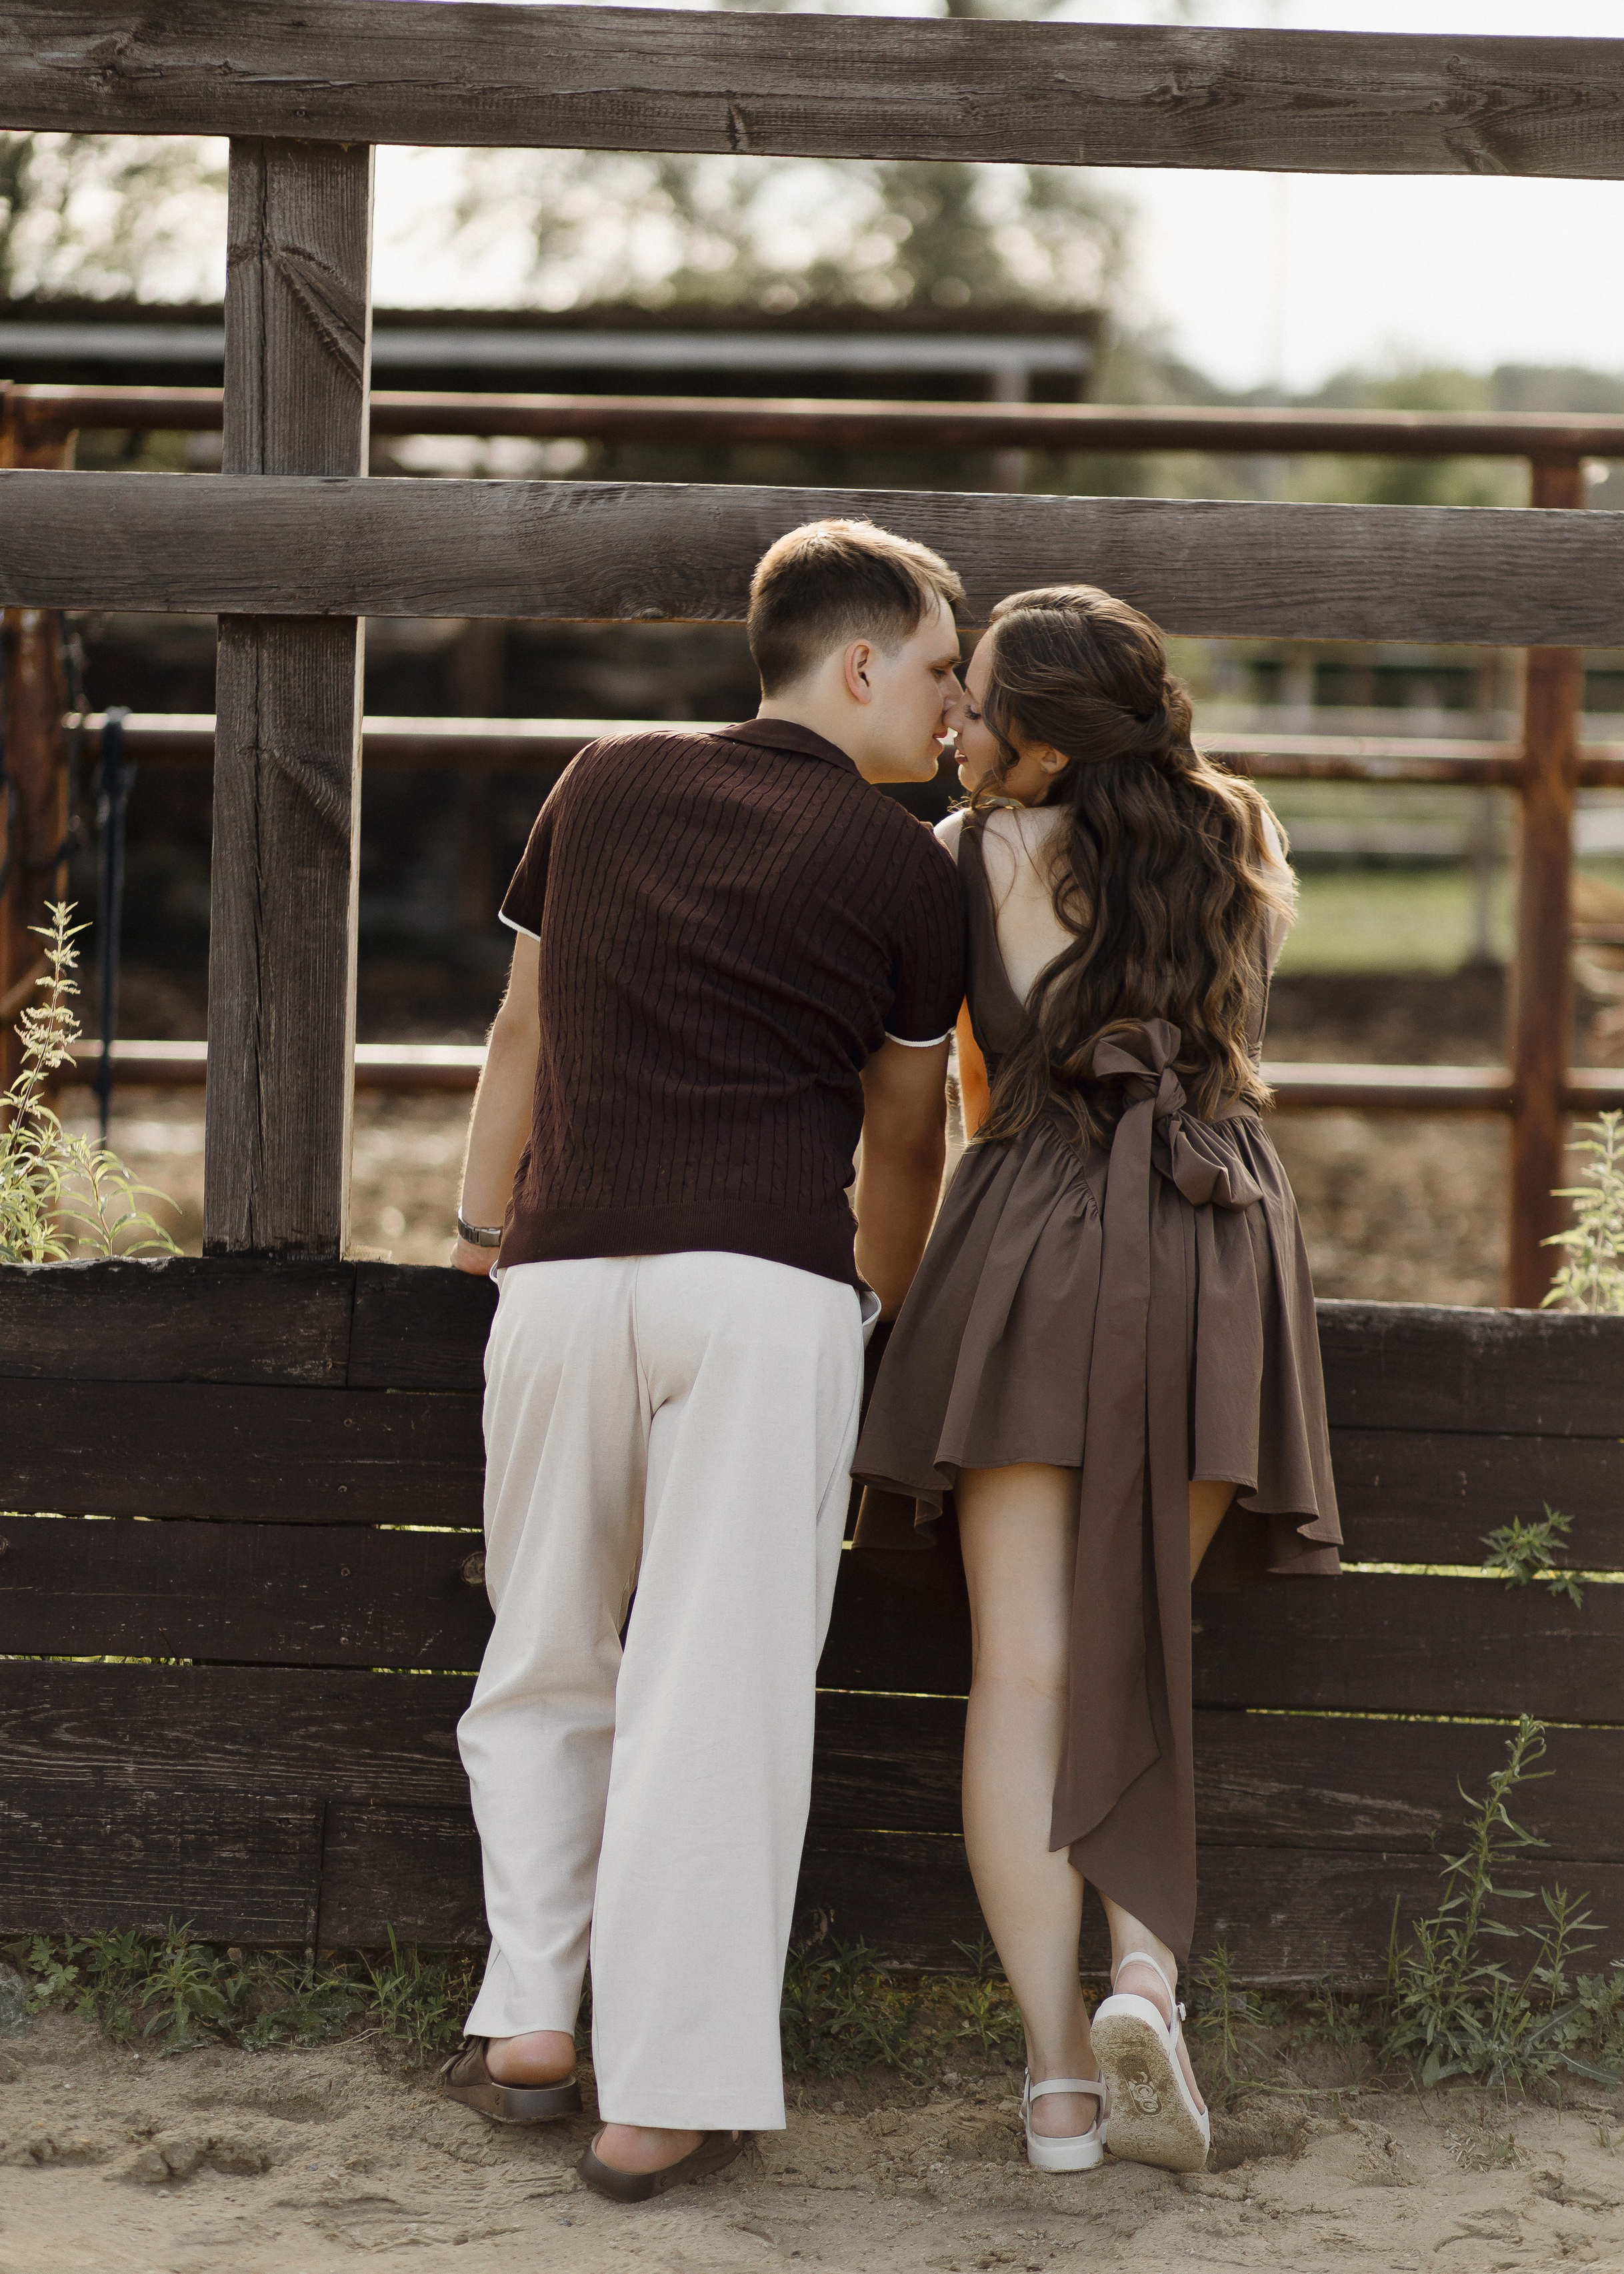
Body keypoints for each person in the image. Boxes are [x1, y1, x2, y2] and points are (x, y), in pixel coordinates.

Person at [444, 518, 967, 2201]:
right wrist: (874, 1311)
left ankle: (530, 2015)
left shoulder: (598, 780)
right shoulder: (907, 867)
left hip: (560, 1276)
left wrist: (477, 1240)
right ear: (861, 663)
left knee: (539, 1642)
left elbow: (519, 1032)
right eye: (945, 669)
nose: (957, 711)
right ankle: (657, 2095)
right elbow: (905, 1142)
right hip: (759, 1294)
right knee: (713, 1688)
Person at [854, 586, 1341, 2176]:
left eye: (979, 706)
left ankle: (1059, 2085)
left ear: (1043, 738)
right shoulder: (1237, 841)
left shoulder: (965, 857)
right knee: (1144, 1630)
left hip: (1032, 1234)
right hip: (1207, 1239)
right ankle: (1146, 1975)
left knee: (1026, 1670)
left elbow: (954, 1095)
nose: (956, 726)